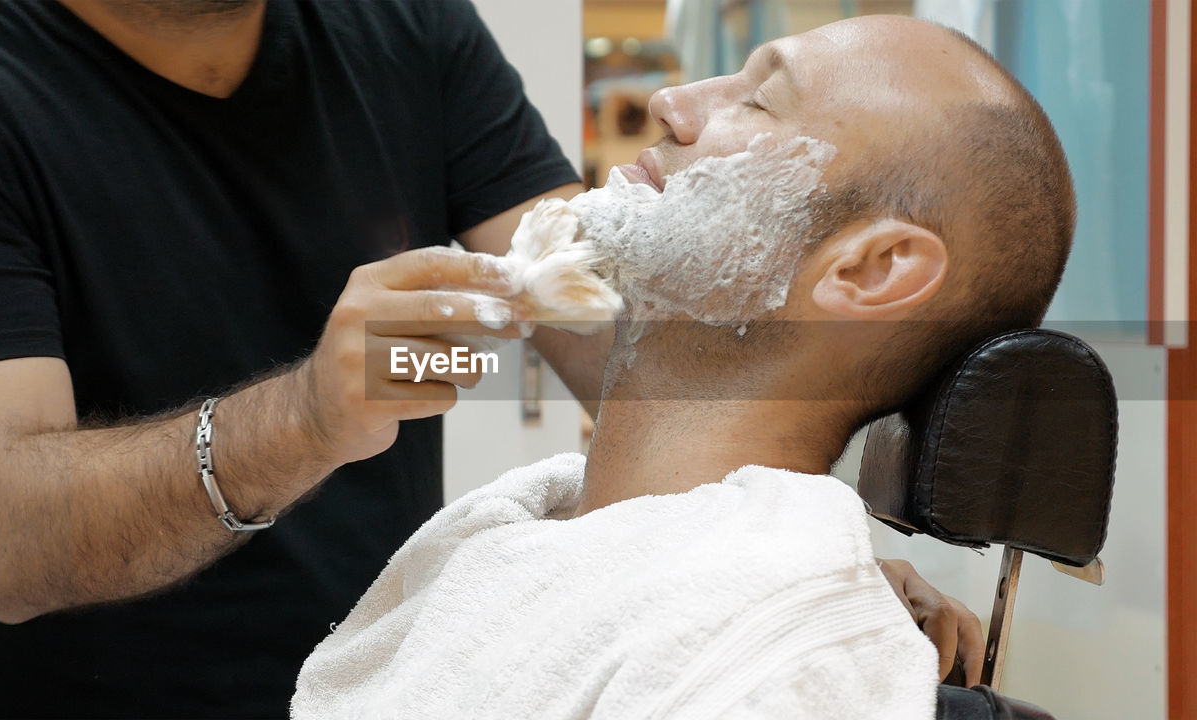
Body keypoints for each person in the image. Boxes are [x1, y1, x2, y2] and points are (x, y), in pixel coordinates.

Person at [0, 1, 982, 716]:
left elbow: (605, 322)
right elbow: (2, 544)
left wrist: (787, 540)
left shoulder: (405, 28)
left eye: (755, 98)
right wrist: (305, 417)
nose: (668, 107)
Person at [292, 13, 1073, 720]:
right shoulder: (509, 536)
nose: (672, 101)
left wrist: (815, 596)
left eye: (760, 100)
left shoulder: (785, 658)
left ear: (874, 270)